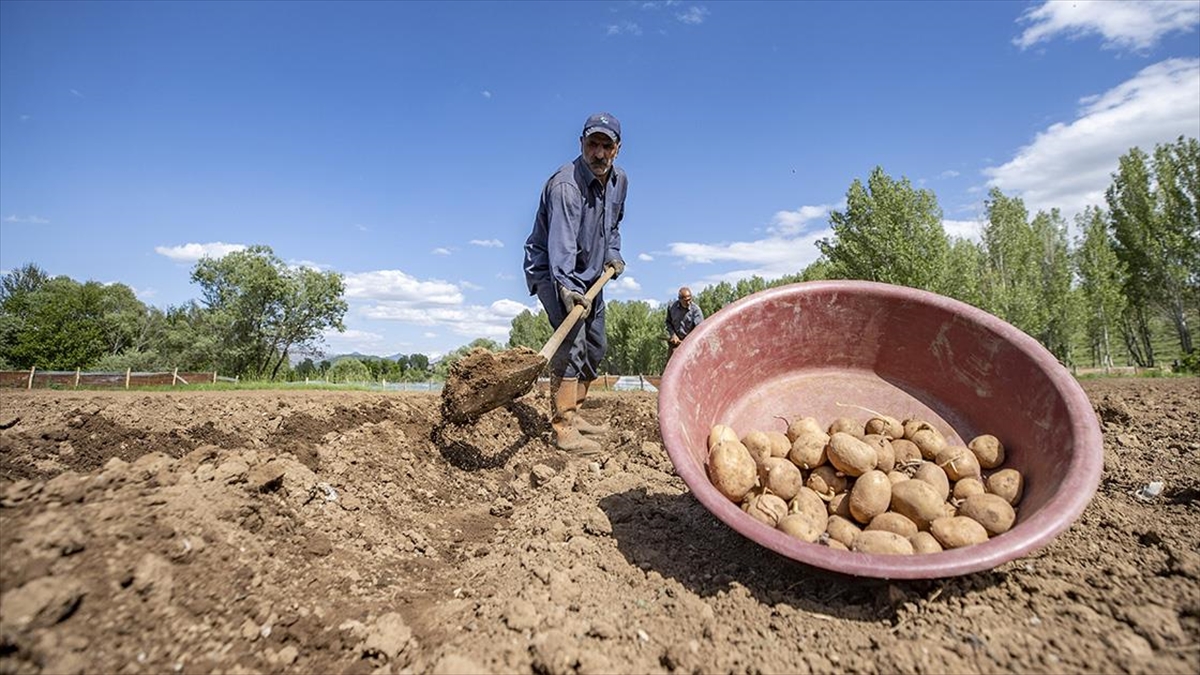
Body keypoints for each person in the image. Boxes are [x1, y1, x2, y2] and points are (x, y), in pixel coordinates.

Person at [522, 112, 627, 456]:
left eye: (606, 146)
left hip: (592, 273)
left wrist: (613, 253)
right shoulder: (566, 186)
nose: (598, 153)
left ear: (617, 148)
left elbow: (612, 226)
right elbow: (561, 246)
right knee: (573, 343)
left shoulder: (620, 181)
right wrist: (567, 289)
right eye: (592, 144)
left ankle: (576, 412)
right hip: (554, 271)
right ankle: (563, 427)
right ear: (581, 143)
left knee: (596, 345)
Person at [665, 286, 703, 360]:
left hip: (690, 346)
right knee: (671, 364)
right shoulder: (672, 307)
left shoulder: (696, 310)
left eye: (690, 299)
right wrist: (673, 335)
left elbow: (700, 330)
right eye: (686, 300)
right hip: (675, 344)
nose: (688, 302)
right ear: (680, 299)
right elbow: (668, 323)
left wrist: (689, 341)